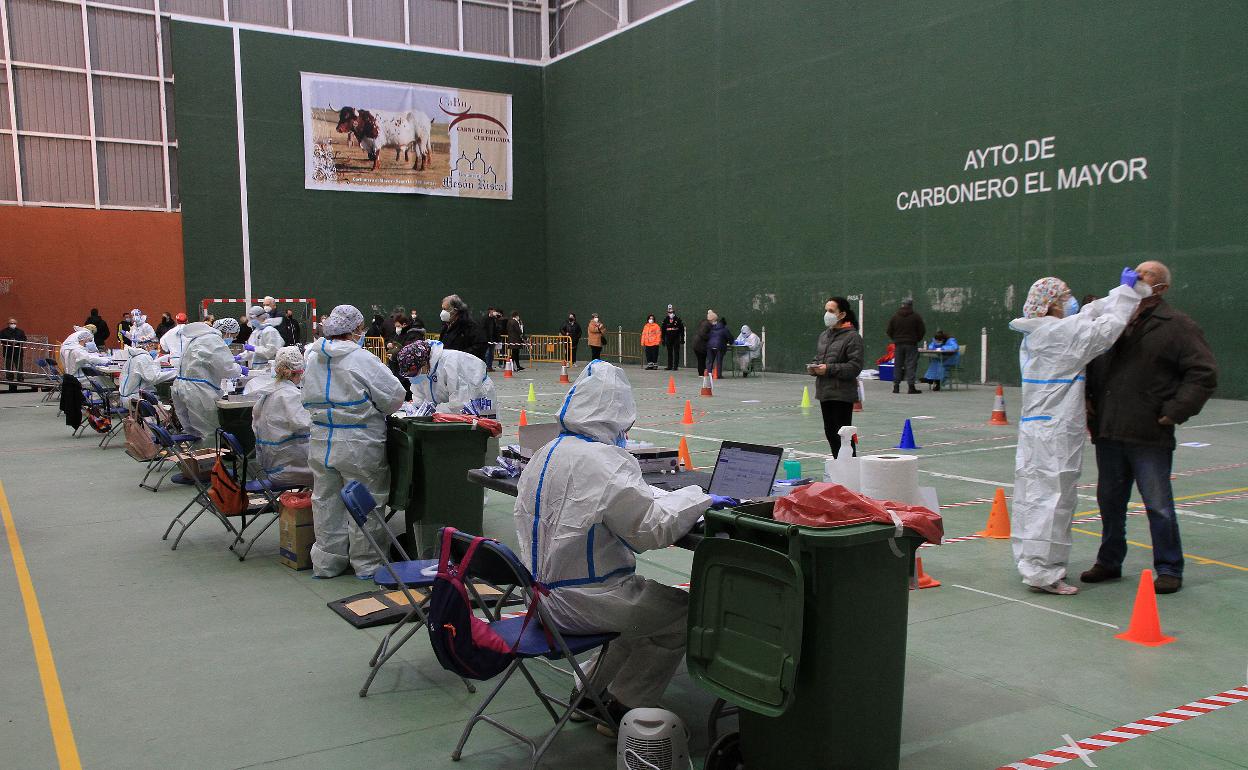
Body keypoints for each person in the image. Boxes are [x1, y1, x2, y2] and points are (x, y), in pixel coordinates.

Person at [513, 362, 736, 731]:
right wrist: (701, 498)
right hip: (587, 602)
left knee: (643, 614)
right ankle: (625, 704)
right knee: (682, 614)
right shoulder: (605, 461)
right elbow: (650, 532)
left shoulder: (546, 452)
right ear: (617, 415)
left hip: (539, 599)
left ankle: (589, 692)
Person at [1008, 270, 1151, 595]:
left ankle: (1032, 563)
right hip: (1054, 432)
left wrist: (1121, 290)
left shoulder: (1040, 332)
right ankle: (1044, 573)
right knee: (1053, 499)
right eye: (1065, 295)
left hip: (1037, 430)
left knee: (1033, 498)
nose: (1072, 300)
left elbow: (1088, 315)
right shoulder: (1059, 335)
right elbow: (1105, 330)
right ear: (1052, 304)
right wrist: (1129, 295)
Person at [1082, 261, 1217, 595]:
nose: (1137, 277)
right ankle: (1109, 561)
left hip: (1149, 433)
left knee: (1158, 505)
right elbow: (1089, 359)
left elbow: (1203, 373)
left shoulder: (1177, 326)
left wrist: (1173, 412)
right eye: (1135, 273)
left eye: (1147, 275)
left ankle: (1169, 566)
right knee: (1109, 502)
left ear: (1163, 288)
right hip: (1109, 430)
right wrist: (1089, 403)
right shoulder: (1111, 320)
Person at [303, 305, 406, 578]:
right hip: (359, 442)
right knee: (366, 503)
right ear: (357, 329)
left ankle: (327, 562)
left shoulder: (312, 358)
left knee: (325, 502)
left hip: (321, 439)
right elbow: (394, 397)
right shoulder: (362, 359)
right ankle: (367, 564)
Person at [171, 318, 244, 444]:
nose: (232, 339)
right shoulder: (213, 340)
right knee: (208, 433)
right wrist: (239, 368)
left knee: (192, 432)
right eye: (233, 336)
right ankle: (208, 463)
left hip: (181, 388)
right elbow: (227, 369)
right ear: (227, 332)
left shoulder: (196, 338)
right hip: (197, 392)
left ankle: (193, 461)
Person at [250, 346, 314, 488]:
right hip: (291, 471)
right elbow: (309, 426)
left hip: (273, 467)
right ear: (299, 371)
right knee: (337, 471)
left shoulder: (269, 392)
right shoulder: (289, 395)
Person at [809, 298, 864, 458]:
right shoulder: (824, 336)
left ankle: (849, 469)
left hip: (842, 394)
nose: (827, 314)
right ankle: (839, 466)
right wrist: (814, 367)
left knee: (843, 435)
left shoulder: (852, 337)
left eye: (831, 311)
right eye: (826, 310)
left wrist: (829, 369)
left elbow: (854, 367)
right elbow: (819, 358)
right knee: (830, 433)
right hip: (825, 392)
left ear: (842, 314)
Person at [397, 339, 497, 417]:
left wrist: (435, 410)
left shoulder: (451, 364)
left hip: (479, 401)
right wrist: (416, 409)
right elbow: (419, 397)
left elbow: (461, 403)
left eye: (413, 372)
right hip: (451, 409)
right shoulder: (424, 371)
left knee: (483, 435)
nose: (412, 377)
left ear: (423, 362)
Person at [886, 298, 925, 395]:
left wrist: (895, 339)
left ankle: (896, 386)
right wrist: (916, 339)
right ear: (911, 305)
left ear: (902, 305)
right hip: (911, 343)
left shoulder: (895, 317)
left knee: (898, 365)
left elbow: (889, 331)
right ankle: (911, 387)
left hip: (898, 344)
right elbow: (922, 330)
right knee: (911, 364)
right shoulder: (916, 317)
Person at [438, 294, 487, 360]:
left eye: (445, 309)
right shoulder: (446, 326)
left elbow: (480, 347)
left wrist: (459, 355)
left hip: (464, 366)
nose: (443, 312)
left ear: (455, 310)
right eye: (442, 309)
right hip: (449, 366)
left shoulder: (470, 326)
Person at [2, 318, 27, 391]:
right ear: (8, 324)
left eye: (14, 323)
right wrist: (9, 341)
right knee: (9, 367)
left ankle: (20, 379)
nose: (12, 324)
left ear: (16, 324)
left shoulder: (20, 331)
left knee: (19, 367)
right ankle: (10, 379)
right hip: (8, 352)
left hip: (18, 352)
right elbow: (1, 339)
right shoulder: (3, 331)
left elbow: (24, 339)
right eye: (11, 323)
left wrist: (17, 341)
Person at [704, 313, 730, 379]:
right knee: (719, 361)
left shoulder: (713, 328)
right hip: (719, 346)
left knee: (710, 360)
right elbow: (729, 337)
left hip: (710, 346)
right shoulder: (724, 329)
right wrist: (730, 342)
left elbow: (709, 336)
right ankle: (718, 375)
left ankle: (709, 373)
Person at [661, 305, 684, 371]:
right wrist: (663, 339)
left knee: (676, 352)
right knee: (669, 352)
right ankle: (669, 366)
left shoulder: (678, 319)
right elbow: (663, 330)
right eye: (669, 312)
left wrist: (682, 338)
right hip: (668, 338)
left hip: (676, 338)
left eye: (671, 312)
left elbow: (681, 330)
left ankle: (675, 366)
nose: (670, 314)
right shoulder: (665, 319)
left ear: (674, 312)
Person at [482, 307, 504, 372]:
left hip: (493, 339)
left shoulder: (494, 319)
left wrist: (497, 317)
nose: (494, 312)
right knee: (487, 353)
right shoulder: (485, 319)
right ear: (490, 311)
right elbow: (483, 328)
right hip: (487, 339)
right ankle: (486, 367)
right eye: (493, 311)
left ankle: (489, 366)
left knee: (491, 354)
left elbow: (497, 328)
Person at [692, 311, 713, 376]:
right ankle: (701, 374)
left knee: (701, 360)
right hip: (700, 345)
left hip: (697, 344)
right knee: (701, 359)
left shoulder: (704, 323)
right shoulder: (707, 325)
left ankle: (702, 373)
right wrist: (710, 337)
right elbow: (703, 334)